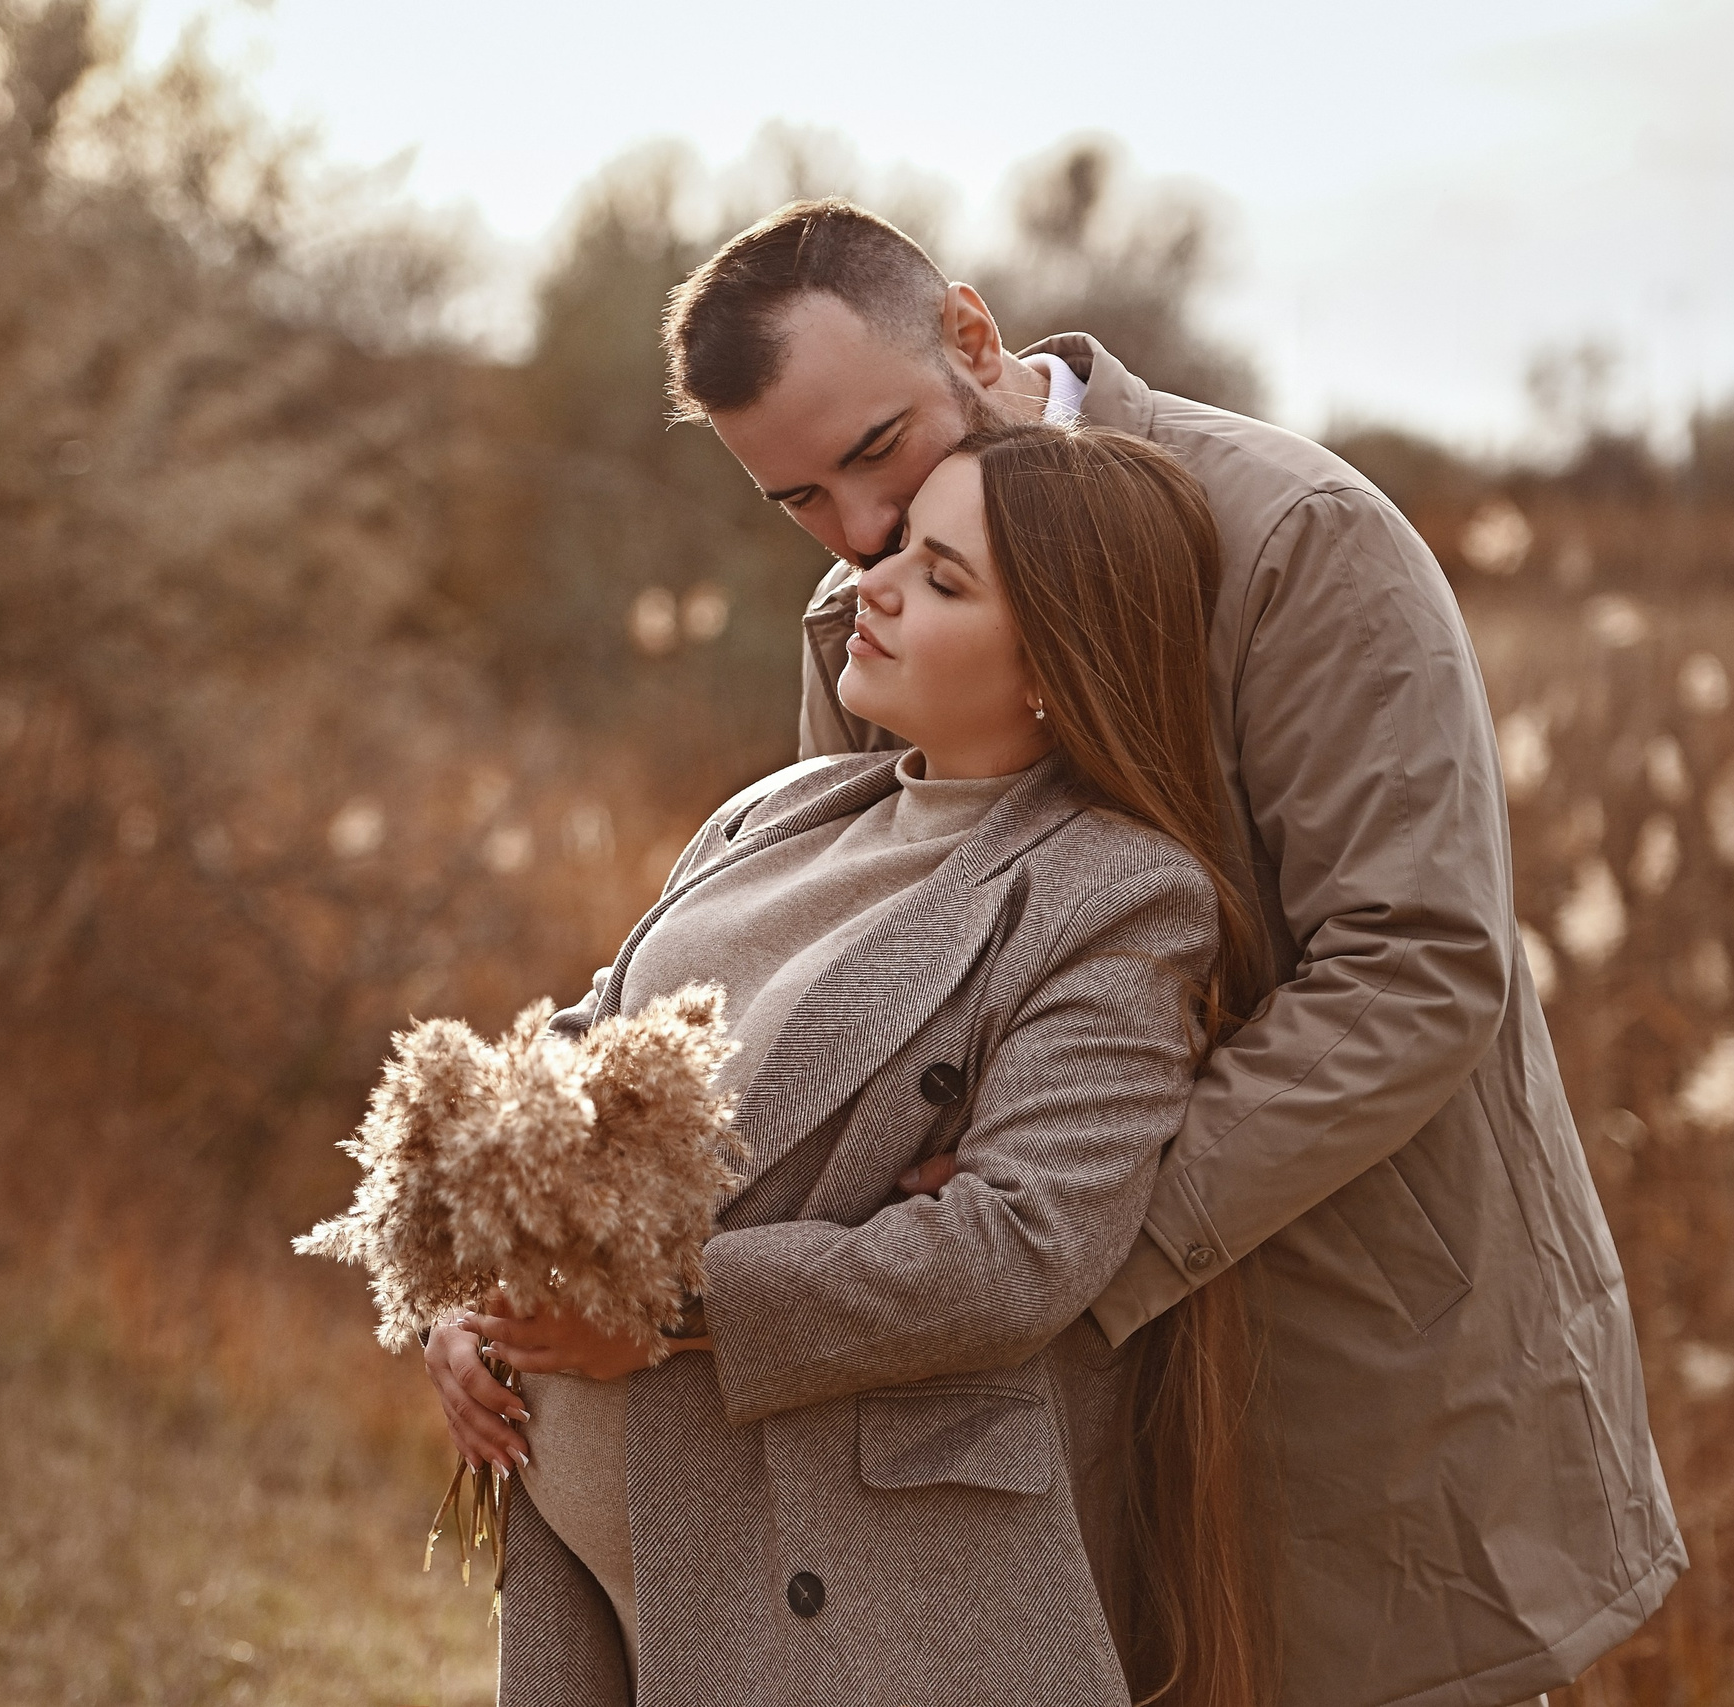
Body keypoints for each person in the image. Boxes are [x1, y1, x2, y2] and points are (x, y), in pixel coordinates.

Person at [429, 200, 1683, 1707]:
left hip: (1331, 1322)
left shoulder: (1297, 536)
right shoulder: (864, 601)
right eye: (798, 500)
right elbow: (862, 1016)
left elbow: (1416, 966)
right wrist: (512, 1270)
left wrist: (1069, 1222)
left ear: (972, 335)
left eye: (876, 451)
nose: (855, 535)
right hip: (1010, 1394)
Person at [455, 423, 1270, 1707]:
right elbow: (572, 1075)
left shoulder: (1114, 897)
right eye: (897, 549)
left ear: (1058, 662)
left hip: (860, 1611)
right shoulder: (773, 811)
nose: (868, 585)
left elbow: (1015, 1250)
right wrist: (475, 1303)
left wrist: (659, 1308)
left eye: (942, 580)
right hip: (605, 1592)